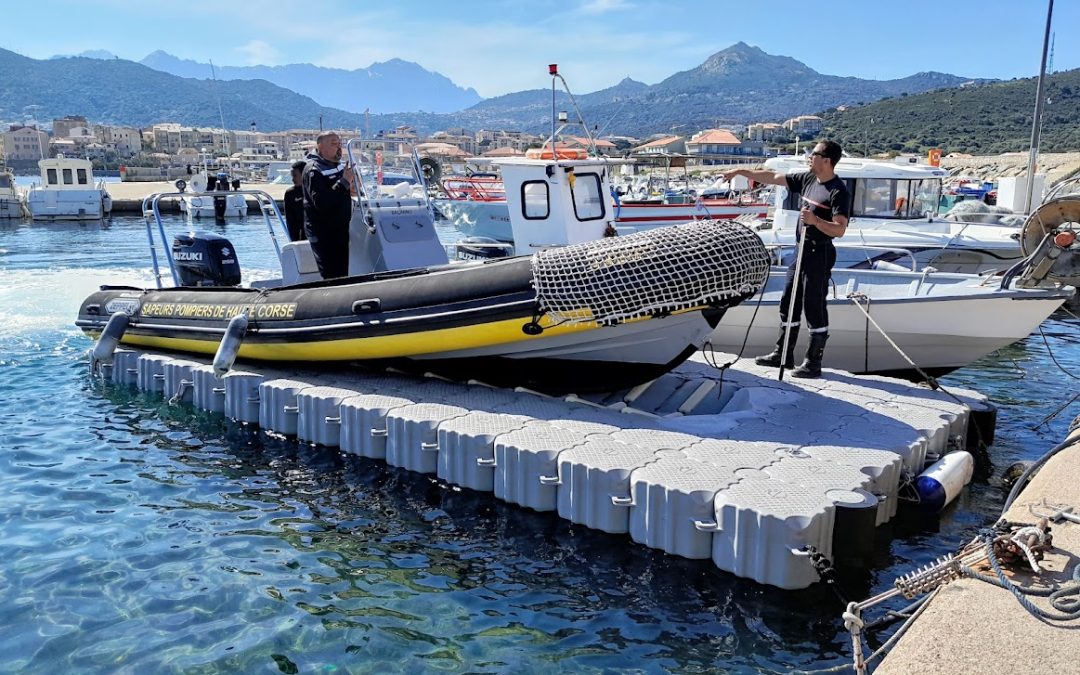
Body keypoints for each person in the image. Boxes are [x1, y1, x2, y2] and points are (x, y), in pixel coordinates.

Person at [722, 140, 850, 378]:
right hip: (799, 252)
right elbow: (773, 176)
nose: (809, 157)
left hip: (818, 254)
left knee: (814, 307)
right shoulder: (808, 179)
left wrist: (815, 221)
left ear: (826, 160)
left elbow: (840, 229)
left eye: (813, 154)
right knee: (788, 301)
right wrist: (739, 171)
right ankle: (783, 355)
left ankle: (813, 363)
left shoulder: (838, 191)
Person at [302, 132, 355, 279]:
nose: (339, 147)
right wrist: (344, 182)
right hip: (324, 232)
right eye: (333, 144)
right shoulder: (314, 170)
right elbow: (322, 203)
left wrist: (352, 187)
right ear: (320, 146)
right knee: (333, 274)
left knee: (345, 271)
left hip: (342, 228)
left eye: (339, 144)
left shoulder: (339, 166)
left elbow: (342, 192)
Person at [283, 160, 306, 241]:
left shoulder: (315, 190)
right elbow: (290, 221)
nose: (292, 179)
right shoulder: (290, 194)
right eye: (292, 176)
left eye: (295, 176)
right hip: (300, 237)